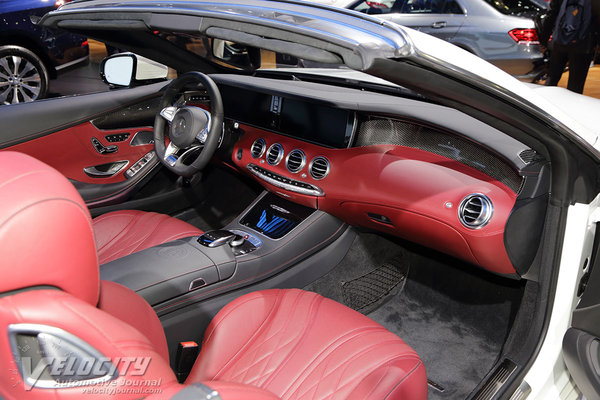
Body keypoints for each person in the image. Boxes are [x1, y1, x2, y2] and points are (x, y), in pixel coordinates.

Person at [540, 0, 599, 94]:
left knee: (552, 80)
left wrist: (543, 40)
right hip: (583, 45)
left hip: (560, 41)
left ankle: (543, 105)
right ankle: (571, 107)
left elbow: (551, 16)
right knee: (576, 86)